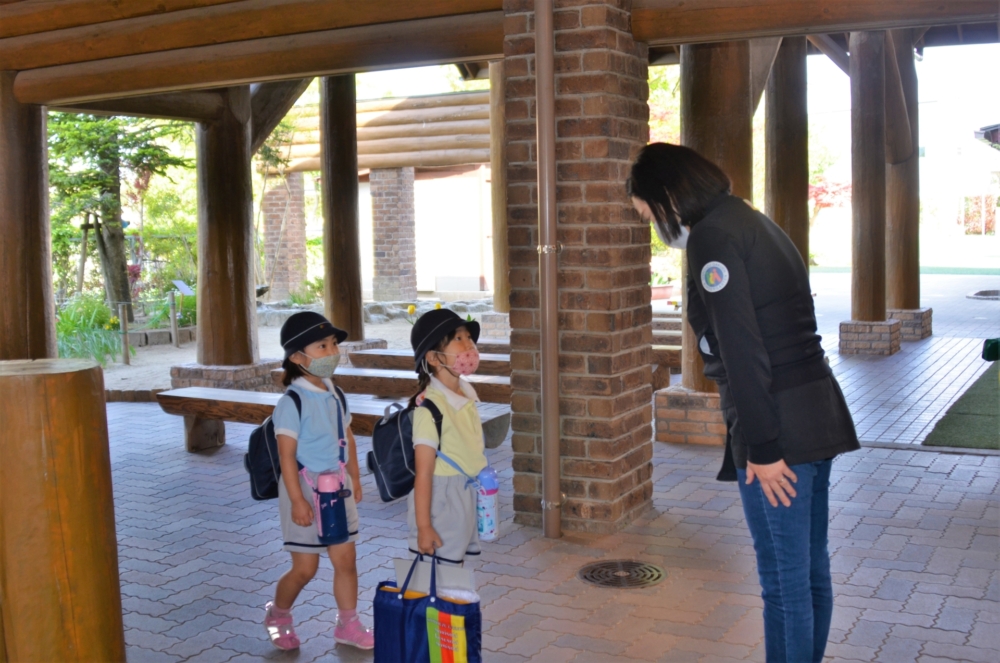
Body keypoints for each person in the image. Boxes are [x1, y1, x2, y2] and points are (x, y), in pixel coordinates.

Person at [628, 143, 860, 663]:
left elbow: (741, 351)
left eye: (647, 212)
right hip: (815, 412)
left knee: (784, 585)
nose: (652, 224)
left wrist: (762, 446)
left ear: (669, 193)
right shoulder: (753, 222)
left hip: (780, 428)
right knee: (809, 571)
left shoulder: (712, 238)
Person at [263, 311, 374, 651]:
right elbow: (286, 456)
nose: (332, 352)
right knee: (305, 567)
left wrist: (354, 477)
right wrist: (297, 501)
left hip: (337, 488)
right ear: (298, 357)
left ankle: (348, 623)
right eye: (322, 346)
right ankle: (278, 615)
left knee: (346, 561)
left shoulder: (335, 393)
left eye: (334, 345)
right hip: (305, 489)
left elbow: (349, 438)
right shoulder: (292, 402)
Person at [407, 308, 489, 565]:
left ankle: (453, 607)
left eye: (469, 338)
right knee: (438, 577)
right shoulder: (429, 409)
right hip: (442, 499)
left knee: (456, 574)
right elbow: (423, 474)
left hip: (465, 492)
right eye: (458, 339)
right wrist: (423, 527)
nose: (469, 346)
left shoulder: (466, 394)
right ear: (433, 357)